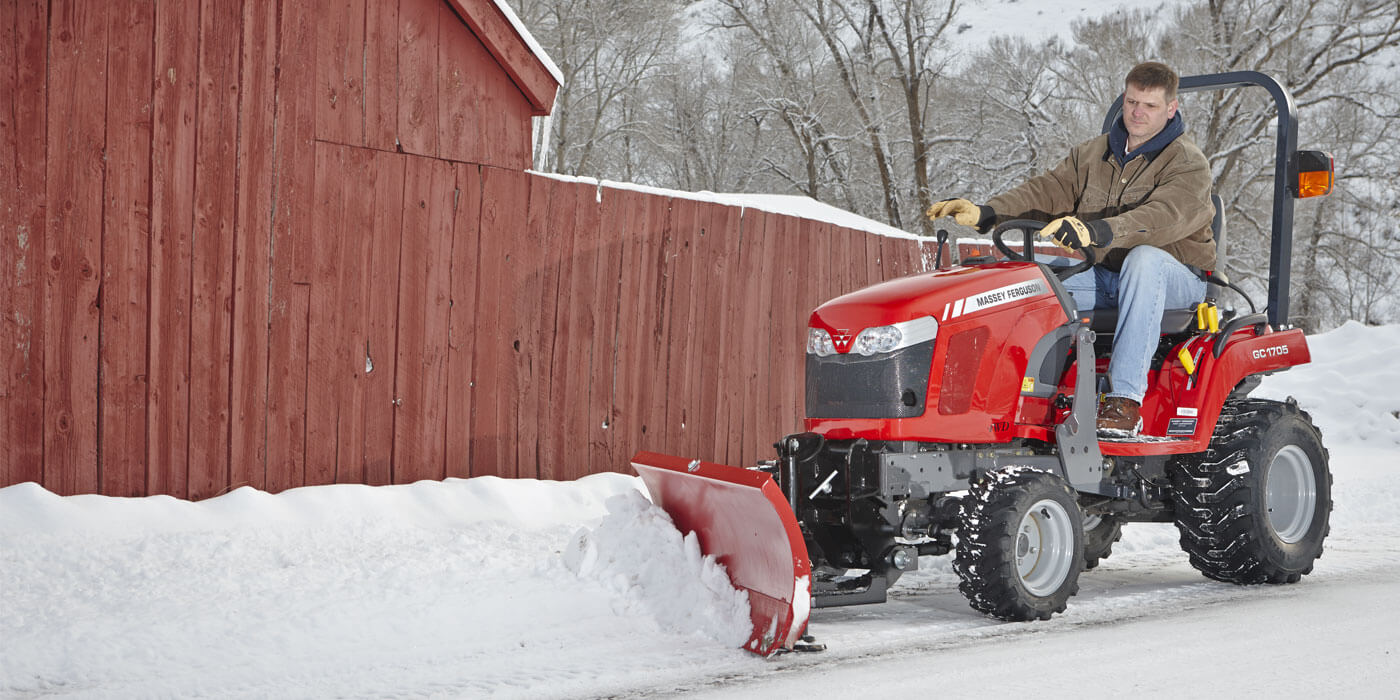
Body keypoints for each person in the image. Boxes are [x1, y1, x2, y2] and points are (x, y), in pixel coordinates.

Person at [927, 61, 1215, 436]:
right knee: (1025, 276)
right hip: (1107, 273)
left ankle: (1123, 401)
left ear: (1171, 108)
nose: (1137, 113)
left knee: (1144, 261)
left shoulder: (1188, 163)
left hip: (1175, 279)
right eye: (1131, 102)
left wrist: (1097, 230)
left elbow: (1163, 216)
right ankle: (997, 396)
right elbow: (1048, 190)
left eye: (1150, 105)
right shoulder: (1094, 154)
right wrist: (988, 211)